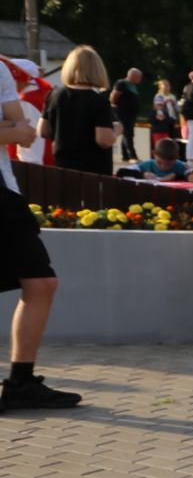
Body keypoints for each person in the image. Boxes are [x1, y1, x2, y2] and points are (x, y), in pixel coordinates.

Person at [0, 63, 82, 411]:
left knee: (41, 283)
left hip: (4, 191)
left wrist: (12, 129)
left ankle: (21, 382)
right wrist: (11, 129)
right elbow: (15, 127)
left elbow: (23, 127)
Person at [42, 45, 116, 176]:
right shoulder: (99, 101)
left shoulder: (54, 95)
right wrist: (116, 131)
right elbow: (103, 140)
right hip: (93, 172)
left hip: (62, 168)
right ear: (97, 70)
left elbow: (43, 130)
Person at [111, 67, 143, 160]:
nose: (140, 79)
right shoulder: (122, 83)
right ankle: (132, 156)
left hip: (131, 114)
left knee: (127, 133)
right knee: (128, 133)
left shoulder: (132, 86)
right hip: (123, 112)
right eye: (138, 77)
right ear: (132, 76)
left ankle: (125, 156)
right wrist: (113, 104)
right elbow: (114, 94)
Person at [150, 78, 180, 148]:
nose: (167, 87)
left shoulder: (172, 96)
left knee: (172, 137)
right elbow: (158, 108)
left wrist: (175, 104)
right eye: (165, 85)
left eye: (168, 86)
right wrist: (165, 102)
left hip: (172, 119)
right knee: (165, 138)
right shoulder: (158, 96)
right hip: (164, 120)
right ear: (160, 87)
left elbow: (177, 108)